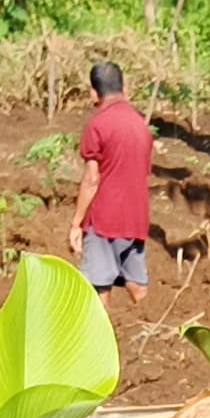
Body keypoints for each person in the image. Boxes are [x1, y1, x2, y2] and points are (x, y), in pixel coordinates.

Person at [71, 58, 154, 294]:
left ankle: (105, 332)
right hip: (136, 216)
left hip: (105, 219)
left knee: (98, 289)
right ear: (125, 90)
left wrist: (77, 223)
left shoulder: (98, 125)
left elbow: (92, 179)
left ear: (93, 93)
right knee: (138, 288)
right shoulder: (141, 126)